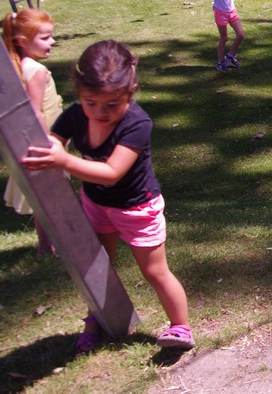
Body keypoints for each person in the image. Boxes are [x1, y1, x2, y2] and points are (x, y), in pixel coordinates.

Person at [22, 40, 196, 353]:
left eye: (112, 104)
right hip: (97, 205)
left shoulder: (137, 123)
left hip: (137, 208)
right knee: (98, 267)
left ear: (131, 91)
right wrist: (51, 149)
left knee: (154, 271)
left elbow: (112, 172)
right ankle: (96, 322)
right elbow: (54, 139)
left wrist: (63, 161)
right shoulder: (75, 115)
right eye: (91, 102)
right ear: (80, 93)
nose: (100, 112)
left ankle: (180, 327)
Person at [2, 9, 61, 254]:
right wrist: (46, 142)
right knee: (52, 195)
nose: (52, 41)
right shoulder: (36, 71)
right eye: (45, 38)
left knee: (43, 196)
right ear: (22, 41)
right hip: (44, 137)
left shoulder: (17, 66)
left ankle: (45, 245)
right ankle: (56, 244)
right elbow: (35, 112)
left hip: (31, 138)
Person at [207, 0, 245, 72]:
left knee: (241, 35)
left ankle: (230, 56)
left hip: (231, 10)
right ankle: (220, 63)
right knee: (224, 38)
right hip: (221, 11)